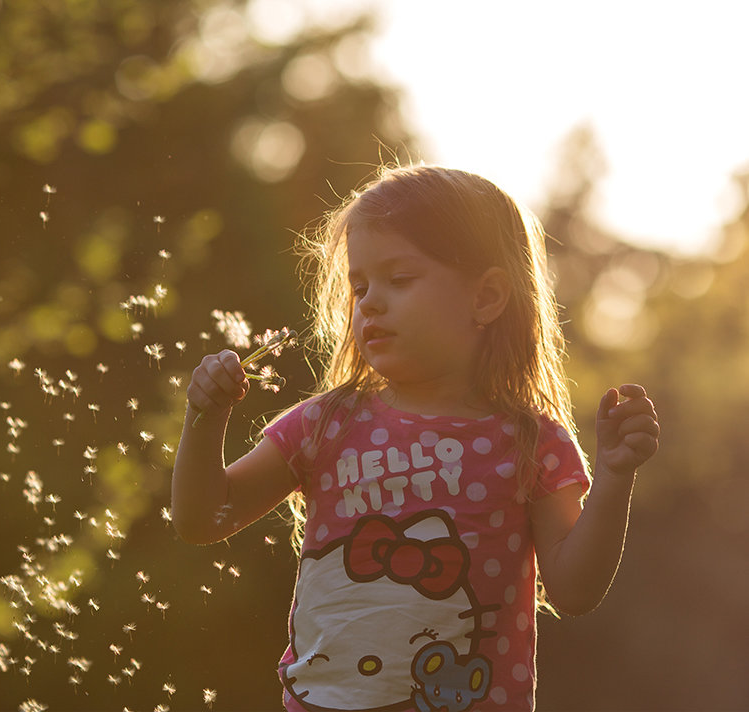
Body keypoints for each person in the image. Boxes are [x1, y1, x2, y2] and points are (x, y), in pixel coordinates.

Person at [171, 164, 660, 711]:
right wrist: (204, 416)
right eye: (359, 286)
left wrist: (616, 477)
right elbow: (203, 518)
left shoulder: (528, 441)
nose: (370, 302)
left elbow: (573, 590)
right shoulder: (323, 426)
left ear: (487, 297)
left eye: (399, 280)